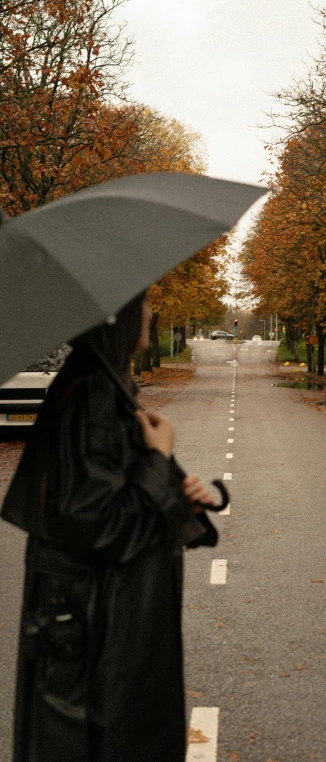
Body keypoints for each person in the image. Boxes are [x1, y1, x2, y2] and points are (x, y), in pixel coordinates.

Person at [1, 291, 219, 762]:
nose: (150, 314)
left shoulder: (103, 387)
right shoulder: (92, 397)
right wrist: (159, 459)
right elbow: (98, 526)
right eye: (142, 304)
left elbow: (108, 500)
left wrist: (179, 496)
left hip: (105, 626)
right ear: (114, 316)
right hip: (101, 637)